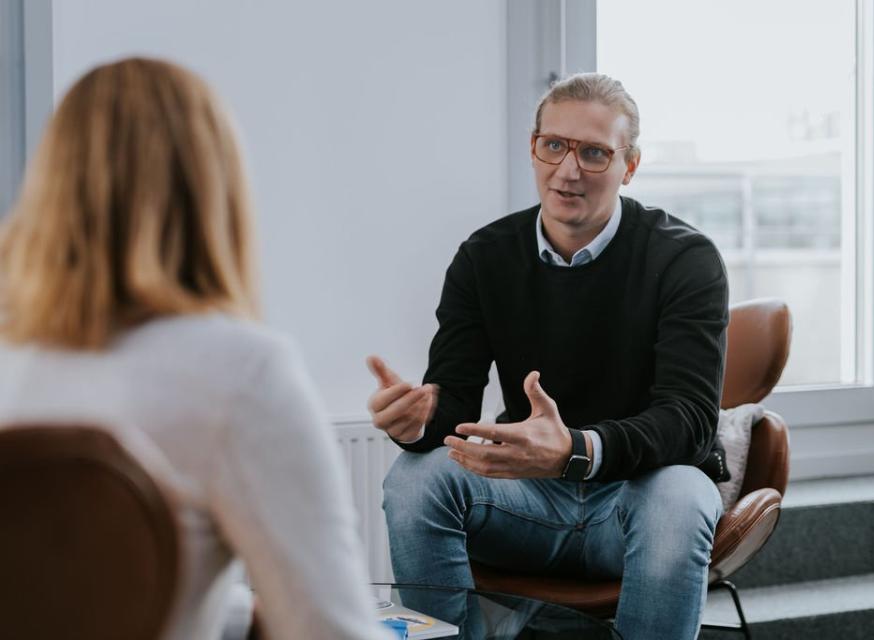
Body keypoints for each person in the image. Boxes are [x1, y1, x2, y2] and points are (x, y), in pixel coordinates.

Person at [0, 57, 391, 640]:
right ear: (213, 191)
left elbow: (59, 589)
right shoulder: (239, 373)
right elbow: (327, 630)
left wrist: (227, 612)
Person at [368, 73, 729, 640]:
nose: (568, 170)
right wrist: (417, 424)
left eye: (594, 153)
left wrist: (576, 451)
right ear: (533, 148)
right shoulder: (485, 256)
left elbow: (689, 421)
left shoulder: (685, 258)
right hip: (526, 499)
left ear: (628, 166)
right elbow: (454, 403)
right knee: (414, 479)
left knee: (682, 497)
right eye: (554, 145)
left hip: (639, 496)